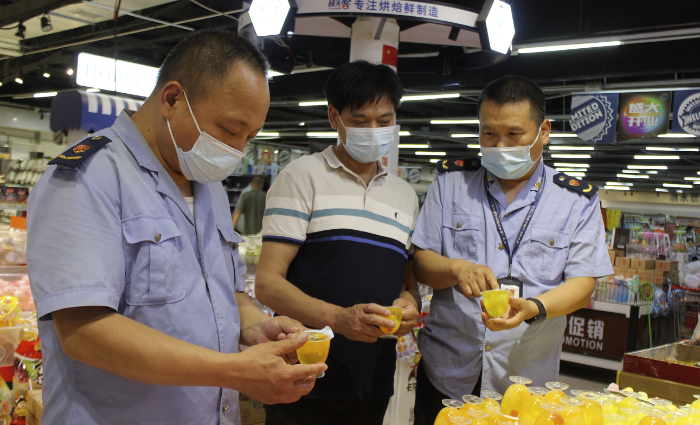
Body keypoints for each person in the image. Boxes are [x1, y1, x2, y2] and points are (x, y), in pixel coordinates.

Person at [26, 29, 325, 425]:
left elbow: (227, 294)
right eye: (229, 129)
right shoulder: (88, 177)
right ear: (171, 100)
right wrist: (232, 371)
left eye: (249, 137)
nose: (236, 151)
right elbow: (84, 331)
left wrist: (259, 329)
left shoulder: (209, 185)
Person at [410, 76, 613, 424]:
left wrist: (534, 307)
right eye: (489, 133)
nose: (500, 145)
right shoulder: (451, 184)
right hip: (446, 371)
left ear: (543, 131)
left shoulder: (575, 201)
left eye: (513, 134)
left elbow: (583, 285)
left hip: (526, 381)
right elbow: (421, 263)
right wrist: (456, 269)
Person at [255, 60, 421, 425]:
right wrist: (339, 319)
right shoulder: (302, 176)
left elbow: (409, 285)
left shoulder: (405, 195)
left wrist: (408, 309)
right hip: (303, 372)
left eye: (384, 120)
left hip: (372, 380)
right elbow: (268, 283)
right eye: (360, 121)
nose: (374, 130)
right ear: (335, 118)